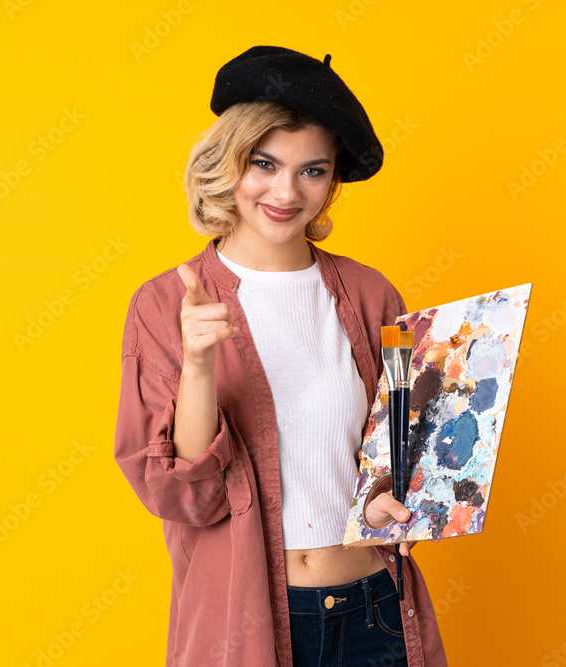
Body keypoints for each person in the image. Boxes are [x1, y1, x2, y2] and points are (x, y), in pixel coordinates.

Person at [114, 45, 447, 666]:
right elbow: (183, 495)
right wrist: (199, 366)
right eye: (263, 163)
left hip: (375, 607)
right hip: (253, 623)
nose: (286, 191)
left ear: (332, 181)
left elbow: (399, 446)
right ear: (227, 164)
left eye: (313, 171)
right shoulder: (163, 305)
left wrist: (383, 498)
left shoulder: (376, 295)